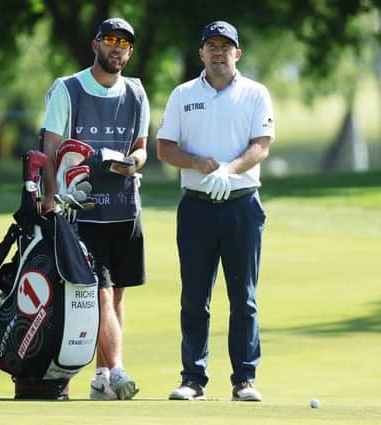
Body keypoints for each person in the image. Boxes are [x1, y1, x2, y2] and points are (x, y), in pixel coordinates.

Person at [156, 20, 275, 402]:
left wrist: (229, 169)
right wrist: (196, 162)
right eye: (212, 46)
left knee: (244, 297)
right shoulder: (183, 94)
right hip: (196, 208)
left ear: (237, 53)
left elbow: (261, 145)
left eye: (226, 46)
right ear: (202, 53)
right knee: (194, 297)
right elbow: (165, 149)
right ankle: (193, 379)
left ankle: (244, 380)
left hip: (242, 205)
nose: (219, 52)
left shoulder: (256, 94)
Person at [40, 17, 149, 401]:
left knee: (116, 294)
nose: (117, 47)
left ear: (130, 52)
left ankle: (102, 376)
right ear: (95, 45)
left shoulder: (136, 92)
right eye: (110, 40)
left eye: (124, 43)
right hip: (81, 211)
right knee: (100, 292)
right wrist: (50, 199)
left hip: (124, 209)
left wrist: (132, 162)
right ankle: (118, 370)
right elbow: (49, 150)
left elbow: (141, 148)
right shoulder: (68, 90)